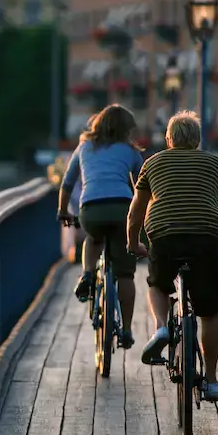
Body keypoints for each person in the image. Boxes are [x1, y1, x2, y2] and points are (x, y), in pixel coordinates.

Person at [126, 110, 218, 402]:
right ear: (198, 140)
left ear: (168, 139)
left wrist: (133, 243)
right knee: (209, 311)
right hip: (205, 239)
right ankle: (212, 381)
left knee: (158, 284)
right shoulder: (215, 163)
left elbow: (136, 211)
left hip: (164, 238)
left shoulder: (152, 163)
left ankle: (162, 327)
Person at [58, 104, 144, 348]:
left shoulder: (84, 147)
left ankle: (86, 274)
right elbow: (142, 187)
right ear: (126, 129)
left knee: (93, 238)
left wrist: (62, 212)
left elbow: (67, 184)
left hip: (92, 208)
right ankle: (126, 331)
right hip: (122, 209)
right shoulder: (130, 152)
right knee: (126, 274)